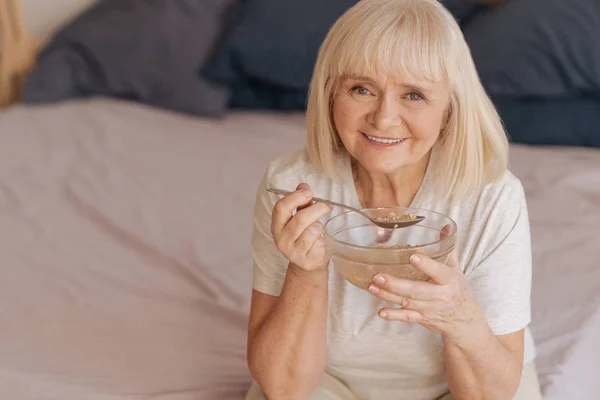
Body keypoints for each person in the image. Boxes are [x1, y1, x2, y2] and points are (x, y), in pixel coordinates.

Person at [245, 0, 542, 399]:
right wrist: (305, 271)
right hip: (330, 385)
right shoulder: (292, 187)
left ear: (450, 109)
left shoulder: (493, 197)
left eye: (414, 95)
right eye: (361, 89)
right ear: (331, 93)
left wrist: (460, 316)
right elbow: (284, 388)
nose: (383, 119)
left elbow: (489, 395)